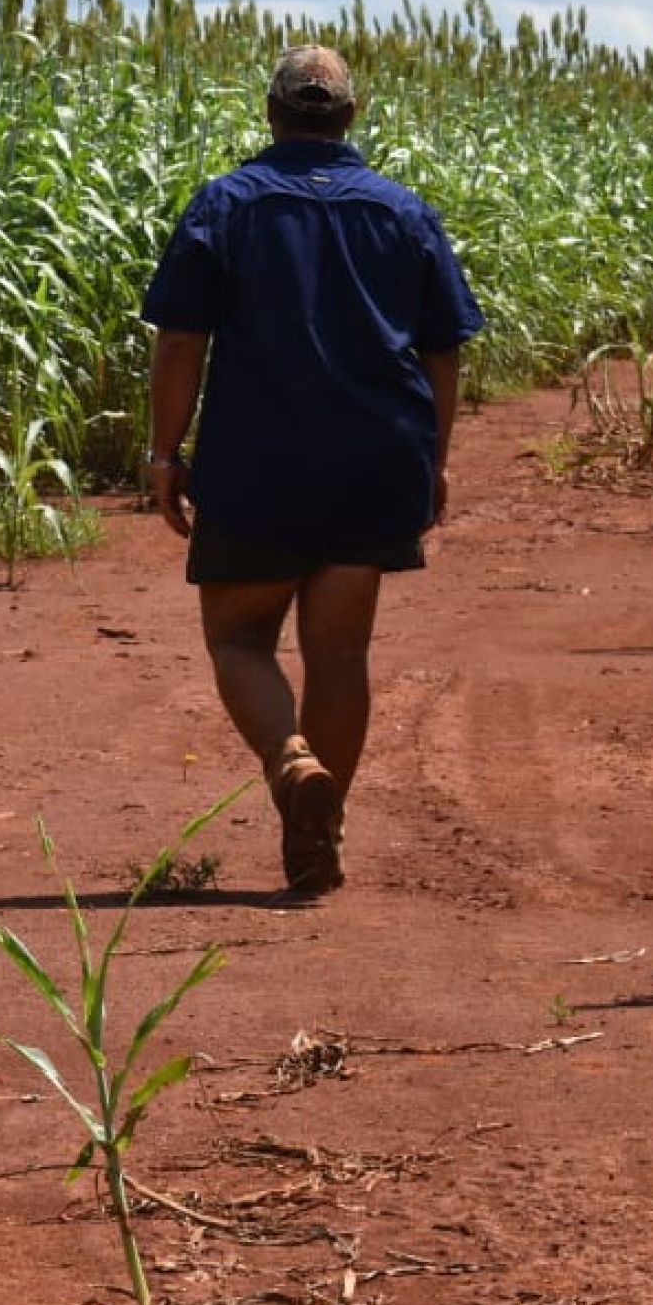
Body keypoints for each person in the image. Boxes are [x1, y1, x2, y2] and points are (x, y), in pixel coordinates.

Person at [139, 44, 482, 894]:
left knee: (239, 637)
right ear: (352, 117)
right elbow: (443, 349)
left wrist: (162, 453)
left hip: (256, 460)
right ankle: (318, 843)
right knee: (338, 657)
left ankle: (291, 762)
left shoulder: (226, 204)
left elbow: (181, 338)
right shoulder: (402, 212)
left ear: (270, 112)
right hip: (372, 462)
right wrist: (433, 462)